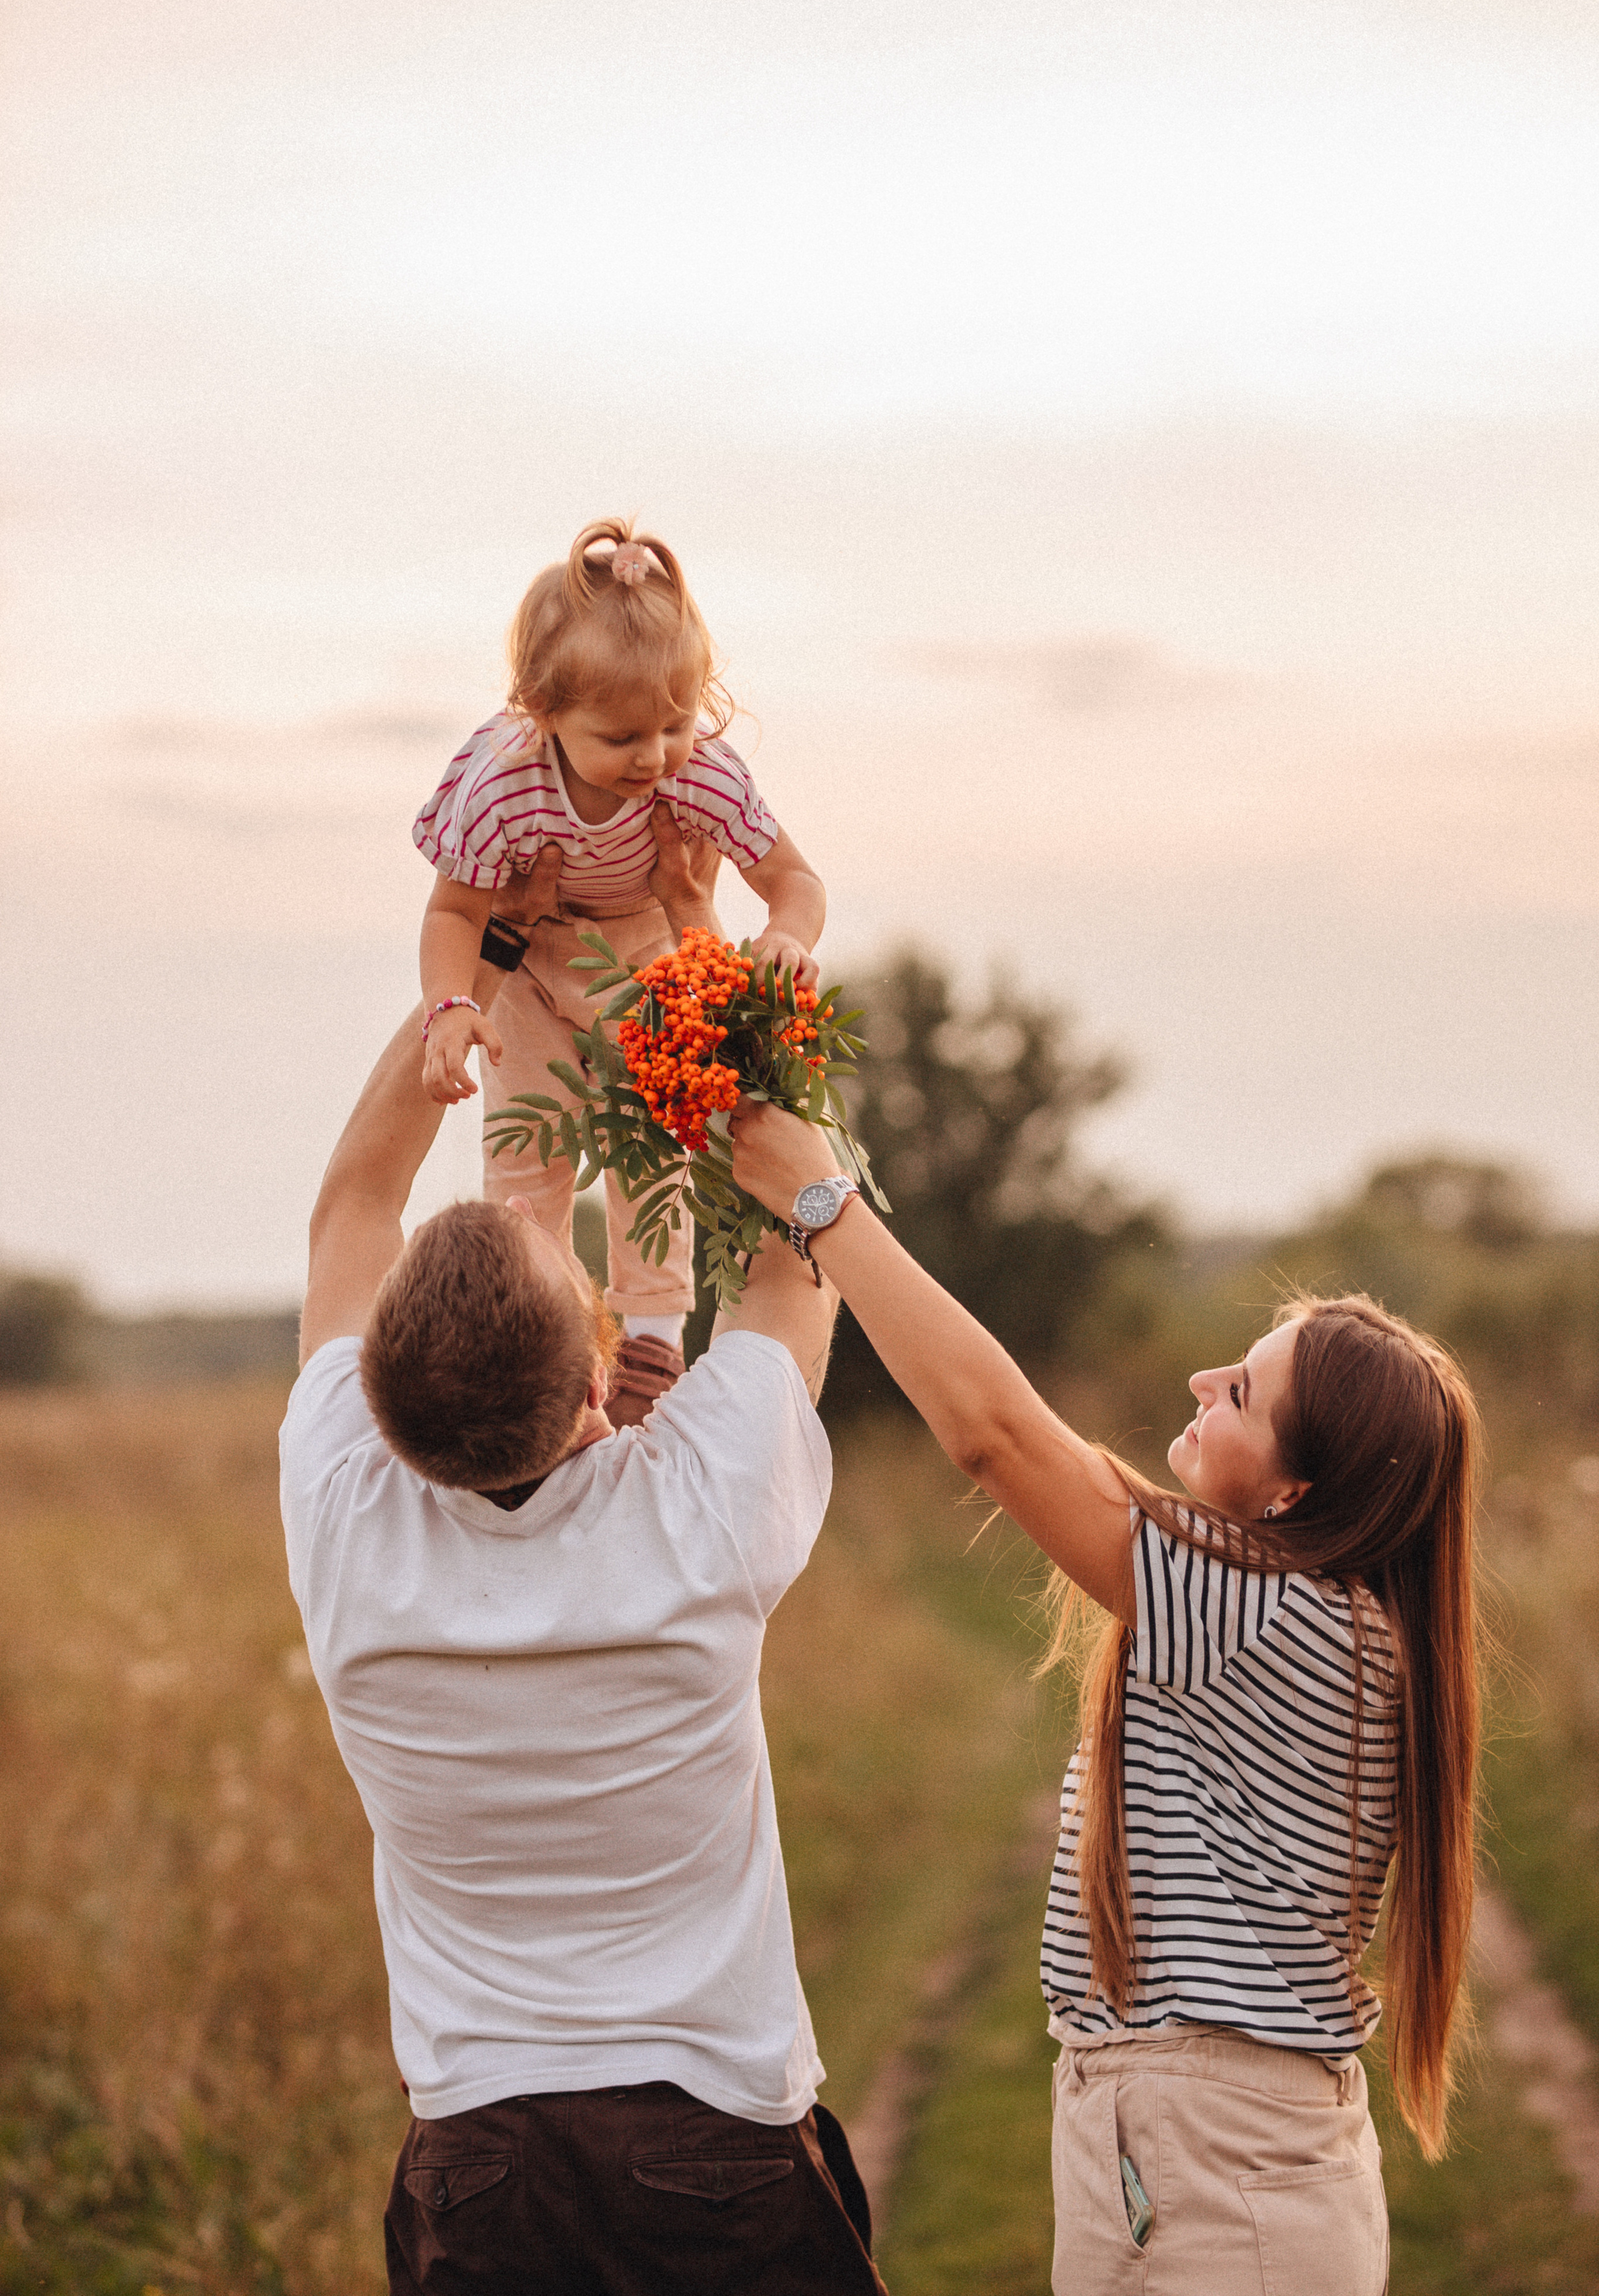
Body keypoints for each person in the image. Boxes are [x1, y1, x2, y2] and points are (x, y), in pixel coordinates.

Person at [730, 1100, 1482, 2296]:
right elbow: (1041, 1451)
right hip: (1208, 2151)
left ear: (1295, 1491)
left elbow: (997, 1436)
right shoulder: (1318, 1615)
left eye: (1240, 1392)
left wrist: (823, 1205)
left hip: (1214, 2167)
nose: (1200, 1378)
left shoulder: (1275, 1614)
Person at [279, 997, 886, 2294]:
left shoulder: (342, 1518)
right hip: (714, 2136)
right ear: (600, 1384)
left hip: (475, 2168)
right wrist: (752, 1039)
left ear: (375, 1409)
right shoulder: (694, 1512)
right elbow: (800, 1263)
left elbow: (346, 1216)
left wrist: (451, 1007)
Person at [410, 516, 826, 1419]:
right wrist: (450, 1006)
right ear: (542, 710)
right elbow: (453, 911)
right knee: (528, 1147)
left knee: (654, 1142)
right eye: (622, 736)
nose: (654, 756)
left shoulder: (698, 774)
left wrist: (789, 934)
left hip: (647, 946)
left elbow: (792, 878)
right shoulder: (503, 785)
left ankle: (649, 1344)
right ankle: (545, 1335)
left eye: (675, 724)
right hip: (527, 967)